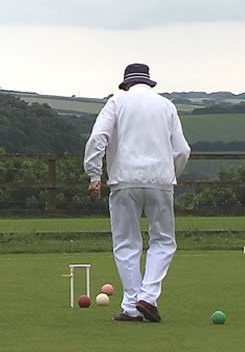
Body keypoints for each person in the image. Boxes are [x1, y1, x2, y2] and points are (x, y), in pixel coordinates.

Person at [84, 63, 191, 322]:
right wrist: (170, 174)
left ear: (126, 84)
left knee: (126, 243)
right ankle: (148, 297)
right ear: (149, 82)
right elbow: (182, 150)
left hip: (124, 181)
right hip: (161, 182)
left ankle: (133, 306)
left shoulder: (116, 103)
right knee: (163, 241)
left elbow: (98, 137)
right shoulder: (167, 106)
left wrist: (94, 174)